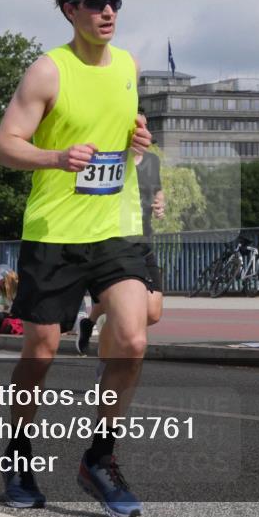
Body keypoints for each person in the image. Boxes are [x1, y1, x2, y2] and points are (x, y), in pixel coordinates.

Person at [0, 0, 152, 517]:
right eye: (95, 3)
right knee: (39, 351)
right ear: (70, 10)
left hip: (115, 225)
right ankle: (17, 452)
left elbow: (123, 128)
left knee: (131, 340)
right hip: (55, 232)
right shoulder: (47, 71)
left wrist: (138, 139)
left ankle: (99, 459)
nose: (107, 12)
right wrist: (56, 157)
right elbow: (4, 145)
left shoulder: (129, 65)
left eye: (115, 2)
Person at [77, 121, 165, 359]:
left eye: (146, 131)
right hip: (115, 242)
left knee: (152, 313)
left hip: (144, 239)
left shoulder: (152, 162)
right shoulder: (110, 160)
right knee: (123, 311)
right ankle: (105, 368)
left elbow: (157, 191)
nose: (143, 137)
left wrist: (160, 204)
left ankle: (92, 321)